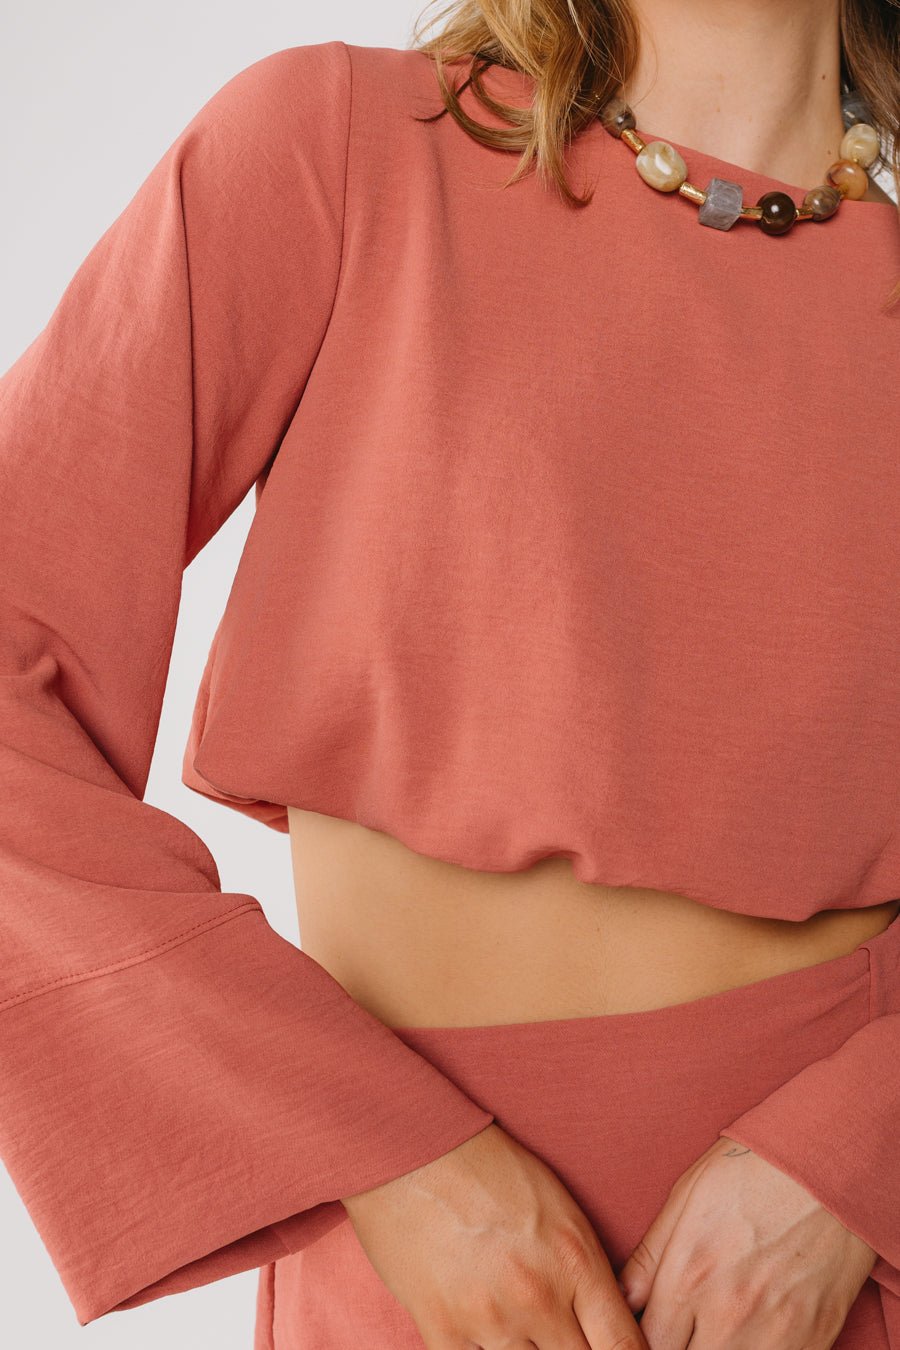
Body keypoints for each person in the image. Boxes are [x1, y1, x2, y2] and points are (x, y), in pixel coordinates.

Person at [1, 0, 898, 1346]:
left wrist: (853, 1163)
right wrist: (386, 1155)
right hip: (418, 1277)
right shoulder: (337, 150)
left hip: (841, 1281)